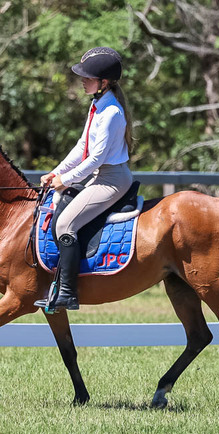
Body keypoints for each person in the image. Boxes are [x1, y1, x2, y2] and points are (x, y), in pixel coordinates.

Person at [35, 46, 135, 311]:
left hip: (112, 180)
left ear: (104, 82)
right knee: (62, 206)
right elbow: (82, 147)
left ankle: (67, 293)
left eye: (88, 77)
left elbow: (96, 159)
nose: (82, 80)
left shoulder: (111, 112)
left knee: (65, 224)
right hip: (101, 175)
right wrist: (56, 172)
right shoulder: (98, 105)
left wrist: (66, 179)